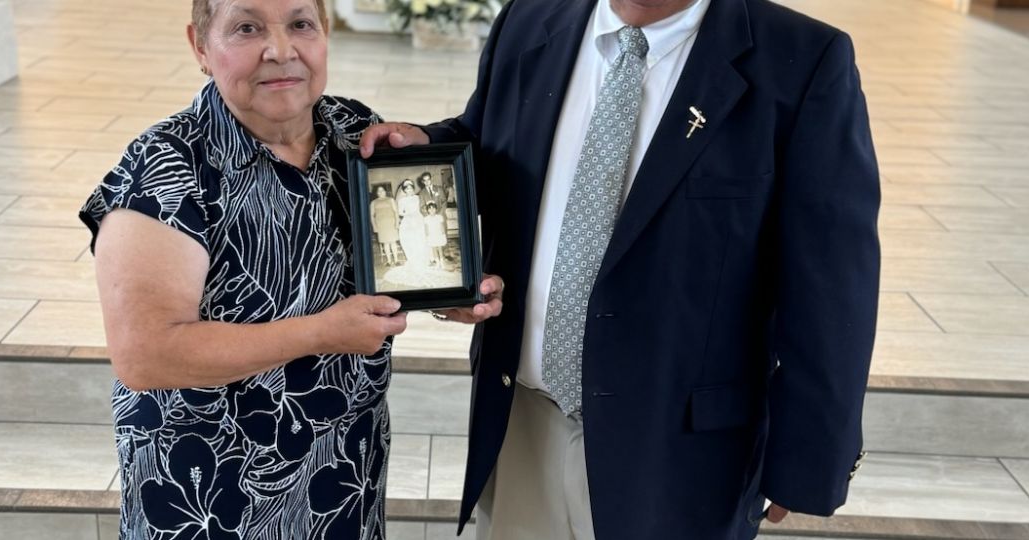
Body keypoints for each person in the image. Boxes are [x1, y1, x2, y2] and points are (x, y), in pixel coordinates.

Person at [360, 0, 881, 537]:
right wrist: (431, 148)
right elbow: (494, 138)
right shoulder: (529, 19)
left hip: (678, 452)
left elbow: (833, 283)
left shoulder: (803, 59)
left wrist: (808, 456)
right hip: (523, 422)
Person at [73, 0, 486, 537]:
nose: (281, 50)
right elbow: (145, 353)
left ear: (324, 34)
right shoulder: (167, 165)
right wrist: (322, 333)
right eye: (247, 28)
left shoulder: (352, 131)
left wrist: (435, 288)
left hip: (341, 481)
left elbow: (384, 263)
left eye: (300, 24)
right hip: (212, 494)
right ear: (200, 46)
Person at [395, 178, 429, 268]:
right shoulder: (402, 200)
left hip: (418, 219)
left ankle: (422, 259)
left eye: (410, 188)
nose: (409, 190)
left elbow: (422, 208)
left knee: (420, 238)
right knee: (409, 239)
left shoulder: (417, 198)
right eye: (407, 189)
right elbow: (400, 212)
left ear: (413, 189)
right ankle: (413, 259)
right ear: (404, 190)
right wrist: (407, 213)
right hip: (408, 220)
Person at [371, 185, 401, 266]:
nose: (381, 192)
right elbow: (371, 216)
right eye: (379, 191)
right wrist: (375, 227)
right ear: (377, 193)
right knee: (385, 243)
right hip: (381, 226)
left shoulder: (391, 200)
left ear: (385, 191)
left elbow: (396, 212)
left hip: (391, 224)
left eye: (382, 190)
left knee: (393, 242)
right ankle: (389, 261)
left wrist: (397, 223)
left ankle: (396, 260)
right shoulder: (373, 202)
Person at [423, 202, 448, 269]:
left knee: (439, 248)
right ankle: (437, 262)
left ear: (436, 209)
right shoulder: (426, 218)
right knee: (434, 248)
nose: (432, 210)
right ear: (427, 210)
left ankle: (442, 262)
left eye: (433, 208)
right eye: (430, 209)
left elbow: (441, 226)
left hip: (438, 234)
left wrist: (443, 234)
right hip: (431, 235)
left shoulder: (439, 217)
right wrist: (427, 236)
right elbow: (426, 228)